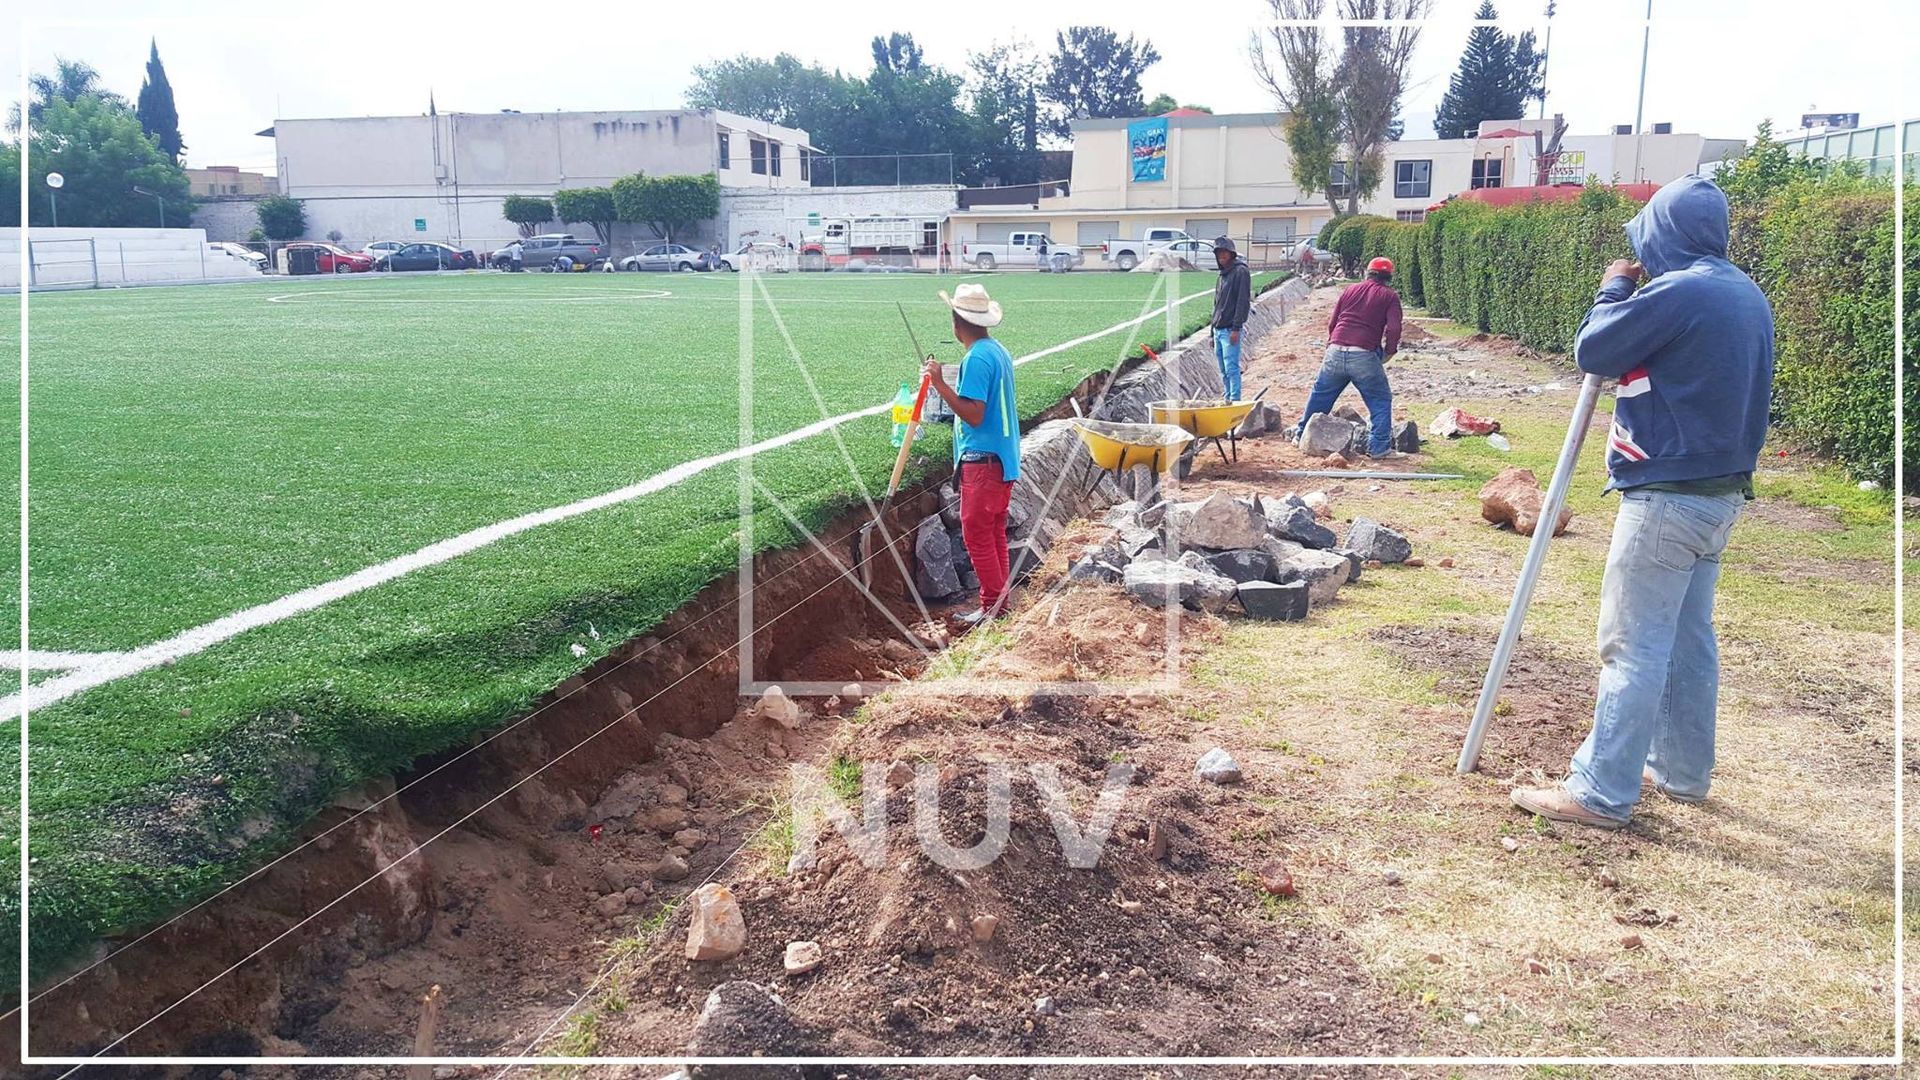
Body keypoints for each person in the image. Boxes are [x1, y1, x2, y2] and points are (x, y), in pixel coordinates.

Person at [1510, 176, 1773, 830]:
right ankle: (1681, 772)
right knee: (1687, 640)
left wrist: (1613, 287)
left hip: (1667, 497)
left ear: (1666, 231)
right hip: (1719, 497)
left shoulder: (1681, 292)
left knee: (1632, 645)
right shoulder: (1745, 294)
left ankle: (1600, 790)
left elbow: (1595, 348)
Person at [922, 283, 1020, 625]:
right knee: (993, 533)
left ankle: (993, 609)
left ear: (956, 322)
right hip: (1001, 459)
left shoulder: (976, 357)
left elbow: (975, 413)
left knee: (977, 535)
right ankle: (999, 604)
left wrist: (939, 384)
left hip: (984, 460)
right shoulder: (996, 351)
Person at [1293, 256, 1403, 456]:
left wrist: (1332, 344)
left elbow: (1333, 323)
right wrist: (1389, 352)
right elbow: (1394, 328)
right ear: (1389, 277)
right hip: (1363, 354)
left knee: (1320, 396)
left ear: (1367, 273)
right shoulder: (1389, 296)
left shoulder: (1349, 290)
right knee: (1380, 399)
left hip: (1335, 350)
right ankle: (1379, 448)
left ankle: (1301, 435)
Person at [1210, 236, 1251, 400]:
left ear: (1231, 253)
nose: (1222, 256)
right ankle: (1227, 398)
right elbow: (1216, 306)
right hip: (1218, 330)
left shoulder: (1240, 272)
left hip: (1229, 331)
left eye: (1225, 252)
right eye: (1219, 253)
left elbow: (1242, 302)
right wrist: (1211, 332)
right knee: (1223, 369)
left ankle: (1234, 400)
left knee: (1231, 367)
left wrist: (1236, 328)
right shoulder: (1221, 276)